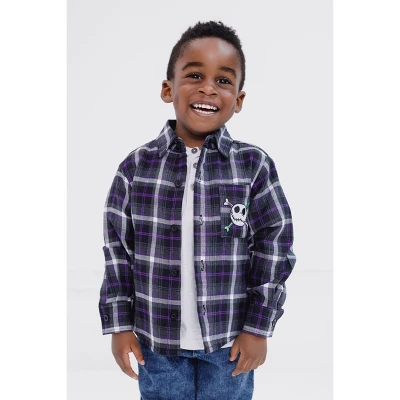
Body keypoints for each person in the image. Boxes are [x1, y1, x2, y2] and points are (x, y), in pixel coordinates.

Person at [98, 20, 297, 400]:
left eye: (223, 80)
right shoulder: (136, 167)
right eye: (194, 75)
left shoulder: (252, 166)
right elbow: (118, 252)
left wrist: (258, 327)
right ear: (168, 89)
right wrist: (119, 324)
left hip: (229, 341)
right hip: (157, 340)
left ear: (238, 100)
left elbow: (274, 247)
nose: (208, 88)